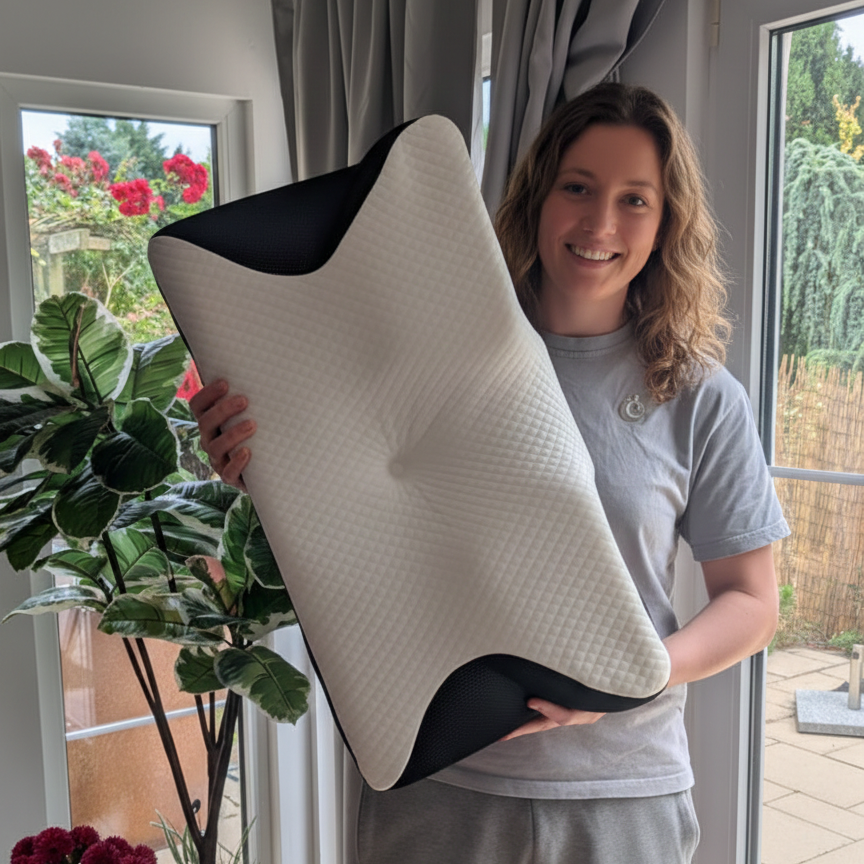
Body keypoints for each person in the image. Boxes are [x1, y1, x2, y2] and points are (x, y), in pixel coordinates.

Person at [191, 82, 789, 864]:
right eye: (578, 188)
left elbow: (752, 602)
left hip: (620, 793)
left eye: (635, 200)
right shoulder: (431, 352)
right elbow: (357, 500)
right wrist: (259, 464)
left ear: (667, 221)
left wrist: (624, 679)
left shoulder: (700, 395)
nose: (600, 224)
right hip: (440, 782)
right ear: (538, 197)